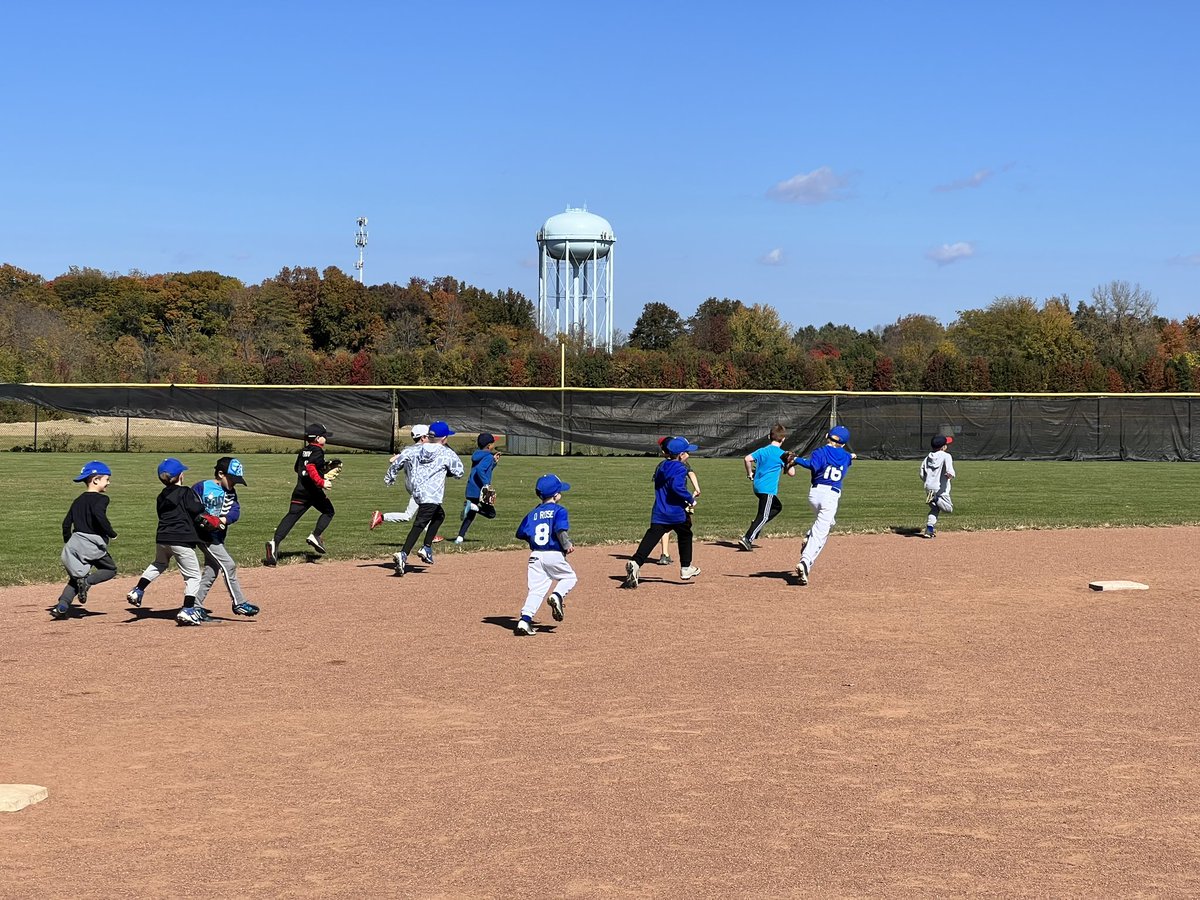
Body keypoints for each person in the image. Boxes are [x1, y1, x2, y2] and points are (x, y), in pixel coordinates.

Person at [127, 458, 209, 625]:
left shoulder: (161, 496)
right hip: (181, 539)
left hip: (162, 538)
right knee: (193, 576)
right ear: (180, 476)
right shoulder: (186, 492)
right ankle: (187, 610)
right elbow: (197, 509)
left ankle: (138, 590)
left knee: (159, 563)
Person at [623, 436, 701, 589]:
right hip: (676, 512)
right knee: (685, 534)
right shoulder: (680, 468)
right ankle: (686, 568)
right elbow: (676, 487)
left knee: (652, 536)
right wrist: (690, 499)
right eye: (686, 452)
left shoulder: (662, 466)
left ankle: (636, 562)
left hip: (659, 511)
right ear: (680, 455)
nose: (688, 455)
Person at [186, 457, 259, 617]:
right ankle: (239, 603)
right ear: (220, 474)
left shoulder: (231, 492)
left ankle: (194, 606)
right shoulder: (202, 487)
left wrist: (222, 520)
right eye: (232, 479)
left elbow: (235, 511)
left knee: (212, 570)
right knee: (229, 565)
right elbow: (190, 506)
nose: (234, 484)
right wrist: (201, 519)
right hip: (204, 536)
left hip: (217, 535)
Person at [392, 420, 464, 576]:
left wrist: (391, 475)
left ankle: (426, 547)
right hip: (432, 495)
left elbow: (401, 460)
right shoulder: (446, 452)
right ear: (444, 438)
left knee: (439, 515)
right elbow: (459, 472)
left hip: (418, 492)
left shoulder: (417, 449)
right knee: (419, 524)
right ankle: (403, 554)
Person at [52, 460, 118, 620]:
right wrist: (111, 532)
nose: (108, 483)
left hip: (74, 543)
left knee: (75, 579)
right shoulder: (102, 499)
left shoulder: (78, 500)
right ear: (96, 480)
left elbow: (66, 523)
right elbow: (98, 515)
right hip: (92, 544)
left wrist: (69, 541)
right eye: (106, 479)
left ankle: (62, 606)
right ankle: (87, 582)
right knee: (111, 570)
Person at [513, 473, 577, 636]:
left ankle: (524, 620)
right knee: (569, 577)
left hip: (535, 556)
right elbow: (560, 530)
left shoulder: (533, 513)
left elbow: (521, 533)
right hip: (553, 554)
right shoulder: (559, 510)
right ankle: (557, 596)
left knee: (536, 590)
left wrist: (533, 540)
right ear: (556, 495)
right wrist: (567, 544)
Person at [793, 425, 856, 586]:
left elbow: (812, 465)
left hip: (814, 495)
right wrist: (851, 455)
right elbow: (849, 457)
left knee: (827, 523)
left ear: (827, 435)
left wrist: (796, 460)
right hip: (831, 497)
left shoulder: (819, 452)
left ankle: (809, 536)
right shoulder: (846, 456)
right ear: (843, 443)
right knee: (822, 534)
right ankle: (805, 562)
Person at [265, 424, 335, 566]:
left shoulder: (304, 450)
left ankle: (274, 543)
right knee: (329, 511)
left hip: (300, 490)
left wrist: (323, 469)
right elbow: (310, 468)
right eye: (324, 435)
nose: (326, 438)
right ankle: (315, 535)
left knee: (291, 516)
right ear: (317, 438)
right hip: (313, 492)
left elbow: (298, 468)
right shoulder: (318, 451)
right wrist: (321, 482)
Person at [738, 423, 796, 551]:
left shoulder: (762, 450)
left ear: (769, 436)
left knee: (777, 507)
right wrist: (791, 463)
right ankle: (747, 538)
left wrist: (750, 474)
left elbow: (747, 459)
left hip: (757, 486)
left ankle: (756, 525)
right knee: (763, 515)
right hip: (768, 489)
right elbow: (792, 474)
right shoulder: (783, 454)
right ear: (784, 439)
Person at [372, 424, 429, 529]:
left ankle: (431, 535)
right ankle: (381, 517)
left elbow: (394, 463)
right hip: (419, 487)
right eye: (428, 436)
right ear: (422, 437)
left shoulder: (408, 450)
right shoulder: (423, 450)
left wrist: (390, 477)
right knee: (409, 515)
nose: (431, 438)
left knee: (427, 509)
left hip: (411, 485)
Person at [655, 436, 700, 565]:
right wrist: (690, 497)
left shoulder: (663, 465)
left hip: (669, 501)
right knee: (680, 528)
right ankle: (682, 562)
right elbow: (686, 476)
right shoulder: (677, 464)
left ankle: (665, 554)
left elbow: (690, 472)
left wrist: (696, 488)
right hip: (677, 500)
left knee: (666, 527)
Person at [455, 433, 500, 544]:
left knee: (470, 516)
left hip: (471, 488)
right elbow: (480, 470)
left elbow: (483, 469)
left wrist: (493, 463)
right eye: (493, 443)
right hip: (481, 489)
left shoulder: (477, 455)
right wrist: (486, 485)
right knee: (491, 514)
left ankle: (460, 537)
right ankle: (474, 507)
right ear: (489, 446)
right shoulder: (488, 456)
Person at [920, 435, 956, 538]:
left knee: (935, 510)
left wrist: (927, 481)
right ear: (943, 447)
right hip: (940, 488)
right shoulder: (946, 456)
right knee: (948, 509)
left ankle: (929, 529)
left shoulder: (928, 457)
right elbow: (950, 470)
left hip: (928, 487)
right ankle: (935, 498)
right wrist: (950, 475)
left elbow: (921, 473)